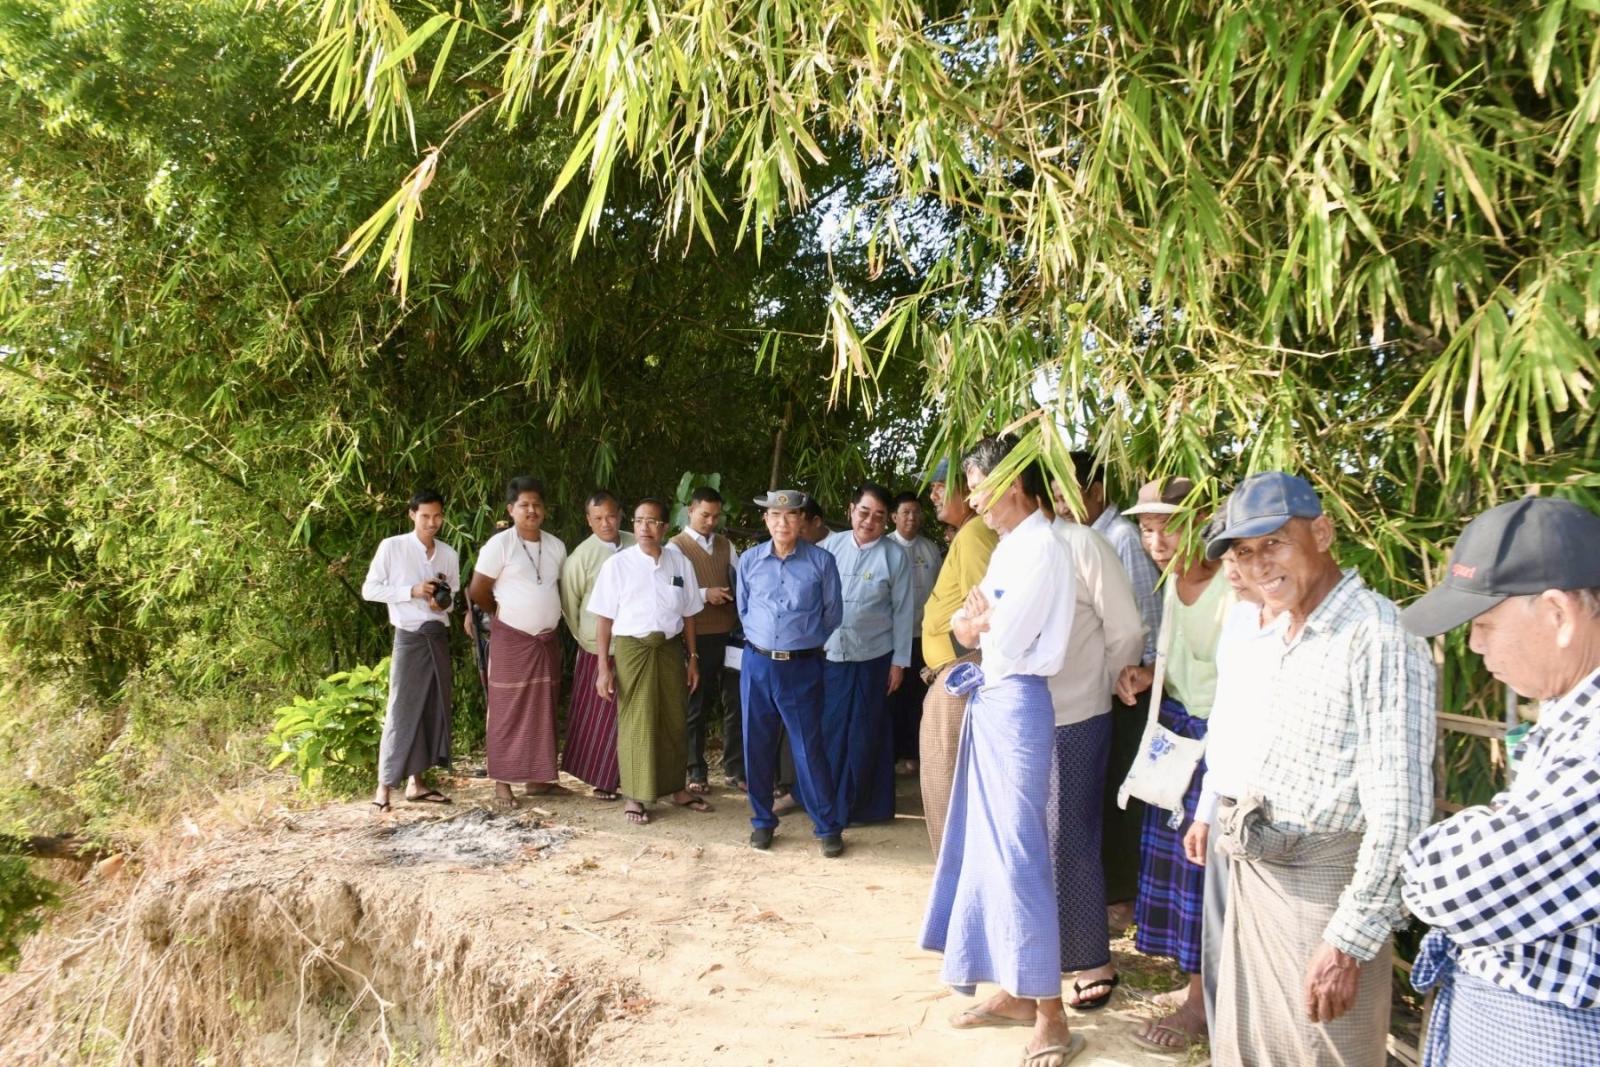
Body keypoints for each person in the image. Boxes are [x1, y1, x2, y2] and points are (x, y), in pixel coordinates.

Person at [1203, 471, 1436, 1067]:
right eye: (1243, 552)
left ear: (1323, 534)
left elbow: (1401, 812)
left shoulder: (1379, 636)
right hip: (1264, 878)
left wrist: (1348, 941)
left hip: (1324, 899)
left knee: (1324, 1051)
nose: (1258, 565)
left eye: (1274, 543)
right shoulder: (1287, 627)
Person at [1397, 497, 1600, 1067]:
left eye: (1484, 624)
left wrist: (1431, 853)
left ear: (1558, 614)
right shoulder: (1570, 711)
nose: (1475, 645)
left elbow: (1453, 887)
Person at [920, 436, 1082, 1067]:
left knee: (1020, 854)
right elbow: (965, 625)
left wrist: (977, 621)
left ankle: (1052, 1014)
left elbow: (1000, 634)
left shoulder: (1043, 546)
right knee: (987, 850)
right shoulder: (1013, 545)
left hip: (1017, 705)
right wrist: (975, 621)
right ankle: (1017, 990)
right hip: (993, 700)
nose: (973, 500)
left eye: (978, 487)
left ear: (1012, 483)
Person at [1113, 478, 1233, 1051]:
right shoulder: (1171, 581)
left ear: (1202, 521)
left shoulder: (1232, 586)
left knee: (1201, 870)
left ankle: (1204, 1004)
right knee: (1178, 870)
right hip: (1177, 736)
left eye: (1169, 527)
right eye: (1147, 528)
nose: (1156, 541)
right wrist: (1145, 676)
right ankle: (1194, 985)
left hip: (1218, 746)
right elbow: (1177, 661)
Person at [1035, 478, 1145, 1016]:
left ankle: (1092, 962)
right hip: (1025, 719)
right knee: (1036, 839)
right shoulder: (1017, 549)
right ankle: (1043, 957)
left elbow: (1126, 630)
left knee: (1072, 837)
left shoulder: (1085, 543)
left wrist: (1101, 685)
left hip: (1079, 712)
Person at [1057, 451, 1163, 920]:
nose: (1062, 504)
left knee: (1122, 793)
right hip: (1110, 683)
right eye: (1056, 494)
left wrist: (1122, 680)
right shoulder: (1083, 538)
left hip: (1129, 684)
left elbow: (1143, 624)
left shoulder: (1120, 537)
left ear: (1096, 491)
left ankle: (1121, 897)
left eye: (1069, 493)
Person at [1183, 536, 1274, 1038]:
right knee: (1219, 937)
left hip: (1273, 817)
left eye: (1245, 557)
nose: (1234, 571)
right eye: (1228, 559)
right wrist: (1205, 810)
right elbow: (1224, 718)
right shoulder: (1239, 620)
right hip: (1226, 804)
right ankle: (1223, 1043)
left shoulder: (1300, 629)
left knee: (1266, 948)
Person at [586, 497, 713, 825]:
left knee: (674, 717)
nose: (644, 528)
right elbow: (604, 619)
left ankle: (676, 789)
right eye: (639, 521)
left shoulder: (679, 562)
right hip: (633, 650)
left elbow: (689, 614)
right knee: (637, 721)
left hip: (669, 648)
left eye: (652, 521)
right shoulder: (618, 565)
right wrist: (603, 668)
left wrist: (693, 658)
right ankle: (635, 795)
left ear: (665, 527)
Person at [736, 488, 846, 856]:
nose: (782, 522)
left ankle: (827, 826)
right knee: (756, 745)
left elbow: (832, 614)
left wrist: (802, 641)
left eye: (791, 515)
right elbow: (744, 609)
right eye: (775, 515)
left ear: (802, 520)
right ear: (766, 519)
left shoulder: (821, 562)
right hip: (757, 663)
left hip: (801, 667)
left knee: (808, 748)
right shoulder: (749, 561)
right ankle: (762, 821)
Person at [468, 476, 569, 808]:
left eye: (537, 504)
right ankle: (502, 784)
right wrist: (502, 616)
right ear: (511, 509)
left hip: (546, 640)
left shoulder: (555, 546)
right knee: (506, 710)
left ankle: (538, 780)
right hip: (511, 639)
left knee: (543, 709)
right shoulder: (500, 545)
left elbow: (558, 589)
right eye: (524, 505)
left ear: (545, 510)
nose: (531, 510)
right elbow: (478, 591)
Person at [918, 458, 999, 857]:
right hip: (954, 671)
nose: (933, 494)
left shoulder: (973, 536)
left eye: (940, 486)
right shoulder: (970, 533)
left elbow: (985, 617)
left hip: (961, 673)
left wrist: (959, 667)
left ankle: (954, 876)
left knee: (945, 778)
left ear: (967, 491)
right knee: (944, 779)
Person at [820, 482, 914, 824]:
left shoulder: (895, 556)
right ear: (851, 510)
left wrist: (899, 662)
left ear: (886, 520)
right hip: (831, 655)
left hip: (875, 658)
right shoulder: (829, 547)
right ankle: (826, 801)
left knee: (866, 731)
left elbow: (903, 612)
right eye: (864, 512)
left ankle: (865, 807)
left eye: (878, 516)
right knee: (830, 729)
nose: (869, 521)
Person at [362, 489, 460, 811]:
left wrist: (440, 602)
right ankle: (384, 788)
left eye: (437, 516)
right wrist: (412, 590)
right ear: (412, 515)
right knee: (401, 710)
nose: (432, 523)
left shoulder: (448, 553)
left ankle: (417, 784)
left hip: (437, 635)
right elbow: (369, 590)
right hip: (409, 636)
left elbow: (451, 599)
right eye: (425, 516)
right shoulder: (392, 547)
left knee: (432, 707)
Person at [558, 490, 634, 800]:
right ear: (588, 520)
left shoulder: (636, 544)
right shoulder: (581, 557)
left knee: (632, 713)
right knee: (599, 717)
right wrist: (586, 639)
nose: (606, 523)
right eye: (598, 518)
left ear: (621, 514)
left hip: (635, 644)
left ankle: (633, 776)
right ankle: (601, 778)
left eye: (611, 516)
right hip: (597, 646)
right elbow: (569, 604)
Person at [670, 487, 744, 793]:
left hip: (731, 635)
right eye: (705, 515)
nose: (711, 522)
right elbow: (671, 591)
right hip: (696, 637)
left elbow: (741, 582)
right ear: (690, 511)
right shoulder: (675, 547)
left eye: (716, 516)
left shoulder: (726, 545)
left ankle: (735, 770)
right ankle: (695, 771)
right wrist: (704, 594)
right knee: (696, 705)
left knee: (736, 702)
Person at [887, 490, 943, 775]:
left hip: (922, 636)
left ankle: (913, 754)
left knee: (917, 696)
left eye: (916, 512)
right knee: (891, 697)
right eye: (905, 512)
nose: (911, 517)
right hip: (889, 637)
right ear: (893, 516)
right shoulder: (884, 547)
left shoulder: (930, 549)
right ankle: (890, 754)